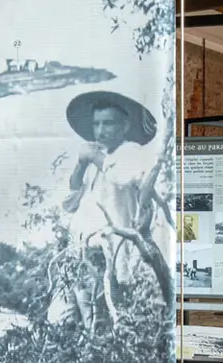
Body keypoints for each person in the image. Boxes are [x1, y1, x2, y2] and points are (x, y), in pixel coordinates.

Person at [50, 90, 172, 328]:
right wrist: (81, 164)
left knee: (101, 317)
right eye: (96, 124)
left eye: (108, 123)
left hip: (112, 253)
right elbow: (69, 202)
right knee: (63, 316)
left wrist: (94, 157)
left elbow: (124, 177)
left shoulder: (132, 152)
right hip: (80, 251)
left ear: (124, 126)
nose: (100, 130)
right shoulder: (96, 157)